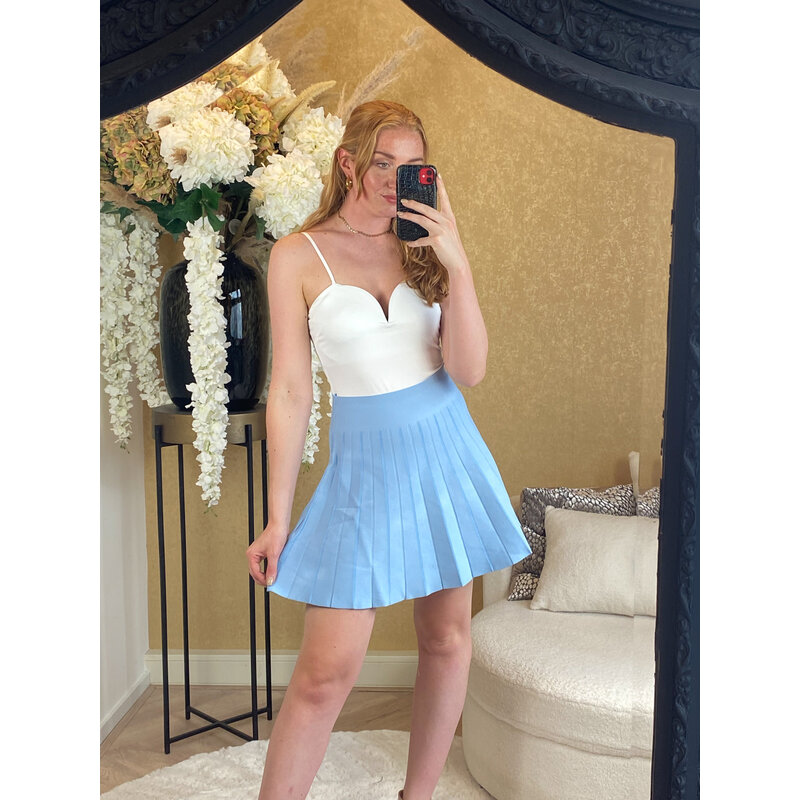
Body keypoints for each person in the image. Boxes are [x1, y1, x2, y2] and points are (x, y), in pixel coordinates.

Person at [246, 100, 532, 800]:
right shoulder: (297, 255)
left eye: (411, 166)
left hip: (445, 453)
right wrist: (278, 519)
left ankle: (417, 796)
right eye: (382, 163)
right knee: (325, 673)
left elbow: (469, 370)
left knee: (446, 639)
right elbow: (291, 391)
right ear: (348, 163)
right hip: (364, 470)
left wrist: (457, 263)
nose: (395, 180)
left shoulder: (426, 244)